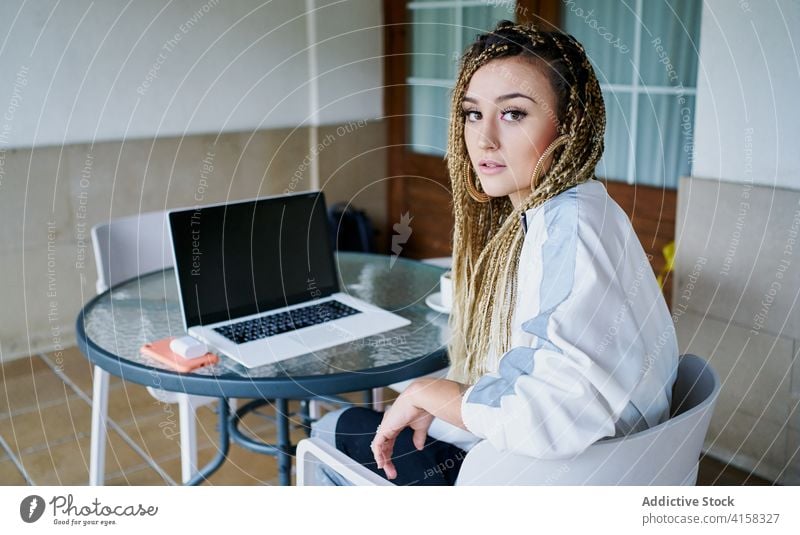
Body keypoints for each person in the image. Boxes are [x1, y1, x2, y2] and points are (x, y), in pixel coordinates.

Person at [310, 19, 679, 485]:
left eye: (513, 114)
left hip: (546, 482)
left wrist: (432, 391)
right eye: (471, 113)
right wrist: (446, 402)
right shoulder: (588, 209)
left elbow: (554, 407)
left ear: (569, 125)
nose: (483, 139)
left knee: (330, 431)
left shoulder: (569, 229)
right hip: (586, 470)